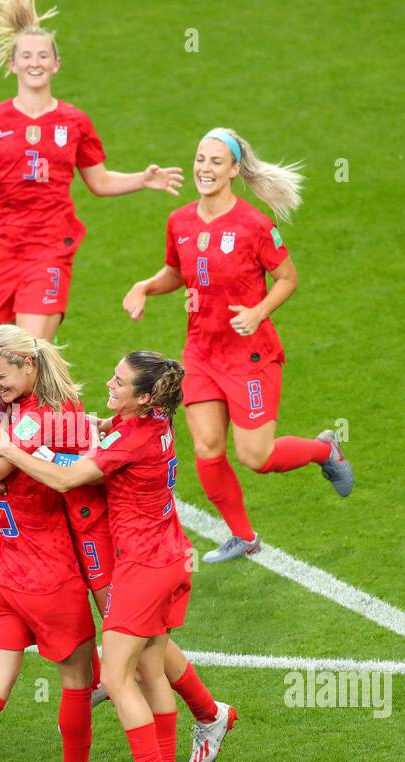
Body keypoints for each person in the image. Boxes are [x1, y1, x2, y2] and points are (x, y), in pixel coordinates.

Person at [0, 351, 198, 762]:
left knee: (117, 679)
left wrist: (11, 448)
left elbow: (65, 478)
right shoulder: (153, 420)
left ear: (144, 397)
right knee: (152, 673)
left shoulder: (134, 437)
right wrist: (69, 426)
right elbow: (105, 429)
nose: (109, 384)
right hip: (166, 555)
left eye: (119, 383)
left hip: (141, 567)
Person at [123, 127, 354, 564]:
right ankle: (243, 537)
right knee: (207, 449)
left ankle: (325, 449)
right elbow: (177, 272)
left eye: (215, 162)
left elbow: (288, 278)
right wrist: (145, 286)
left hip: (250, 356)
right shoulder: (180, 222)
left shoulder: (254, 225)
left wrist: (258, 311)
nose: (204, 169)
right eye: (199, 159)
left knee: (257, 456)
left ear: (233, 169)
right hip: (201, 354)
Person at [0, 328, 124, 762]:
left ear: (28, 366)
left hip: (2, 573)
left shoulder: (0, 421)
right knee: (78, 680)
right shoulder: (42, 418)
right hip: (49, 577)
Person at [0, 0, 183, 340]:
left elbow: (99, 181)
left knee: (28, 353)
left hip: (50, 247)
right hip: (0, 249)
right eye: (27, 56)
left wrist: (142, 180)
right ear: (13, 63)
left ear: (56, 64)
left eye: (43, 56)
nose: (35, 62)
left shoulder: (74, 122)